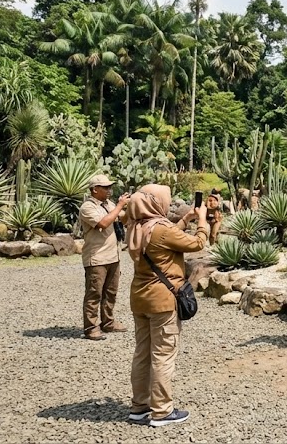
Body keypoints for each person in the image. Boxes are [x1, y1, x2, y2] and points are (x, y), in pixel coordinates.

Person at [126, 184, 208, 427]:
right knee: (162, 354)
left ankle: (139, 407)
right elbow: (196, 244)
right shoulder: (160, 229)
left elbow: (166, 237)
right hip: (162, 300)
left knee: (142, 353)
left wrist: (185, 218)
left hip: (140, 298)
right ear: (154, 203)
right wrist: (201, 221)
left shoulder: (136, 226)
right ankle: (162, 411)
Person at [77, 174, 131, 341]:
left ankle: (108, 322)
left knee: (111, 292)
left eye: (110, 187)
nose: (109, 190)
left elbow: (123, 218)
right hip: (97, 258)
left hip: (113, 256)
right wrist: (120, 205)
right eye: (105, 187)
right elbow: (103, 223)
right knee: (94, 293)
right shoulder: (87, 207)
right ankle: (91, 328)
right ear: (94, 189)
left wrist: (129, 207)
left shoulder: (109, 204)